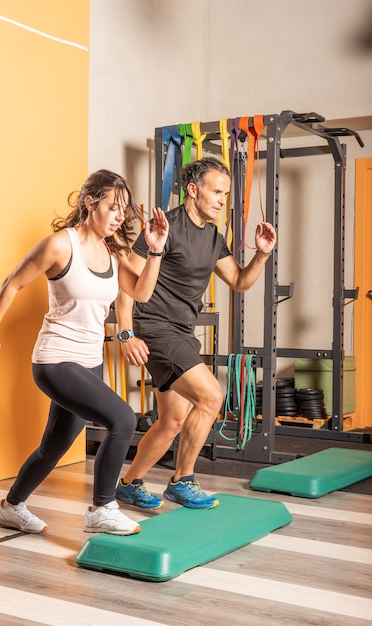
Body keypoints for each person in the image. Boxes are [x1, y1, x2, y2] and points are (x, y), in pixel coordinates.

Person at [0, 169, 168, 536]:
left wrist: (156, 249)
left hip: (89, 362)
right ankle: (102, 508)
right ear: (89, 203)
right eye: (112, 207)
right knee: (123, 419)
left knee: (55, 446)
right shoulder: (60, 245)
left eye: (122, 210)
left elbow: (141, 293)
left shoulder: (114, 252)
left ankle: (11, 506)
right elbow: (12, 282)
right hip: (55, 360)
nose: (118, 216)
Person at [115, 156, 276, 510]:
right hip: (155, 328)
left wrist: (262, 256)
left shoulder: (214, 237)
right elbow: (127, 284)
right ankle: (182, 480)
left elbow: (238, 281)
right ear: (193, 190)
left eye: (225, 193)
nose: (222, 199)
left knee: (172, 419)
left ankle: (128, 483)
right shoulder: (164, 227)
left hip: (182, 332)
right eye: (216, 191)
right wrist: (126, 334)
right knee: (212, 397)